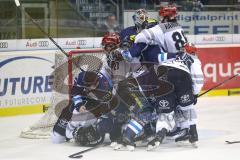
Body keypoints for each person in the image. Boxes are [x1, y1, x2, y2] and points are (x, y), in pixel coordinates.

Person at [51, 70, 119, 145]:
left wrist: (99, 127)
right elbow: (75, 92)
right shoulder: (81, 77)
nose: (88, 88)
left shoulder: (105, 88)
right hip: (84, 98)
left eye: (90, 86)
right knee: (56, 139)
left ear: (97, 83)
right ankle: (65, 130)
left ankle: (77, 130)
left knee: (90, 119)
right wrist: (79, 105)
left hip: (95, 102)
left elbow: (107, 108)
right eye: (86, 86)